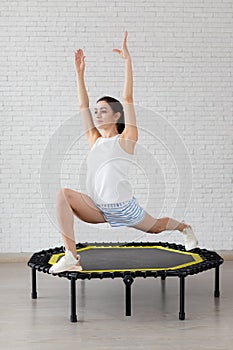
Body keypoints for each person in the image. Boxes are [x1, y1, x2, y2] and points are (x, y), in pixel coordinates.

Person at [49, 32, 198, 274]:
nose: (97, 114)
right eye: (97, 111)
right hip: (98, 208)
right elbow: (82, 106)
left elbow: (128, 98)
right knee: (63, 194)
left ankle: (185, 228)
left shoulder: (127, 139)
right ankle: (71, 257)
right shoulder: (94, 140)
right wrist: (79, 74)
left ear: (117, 115)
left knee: (157, 228)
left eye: (103, 111)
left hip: (125, 209)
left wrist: (128, 62)